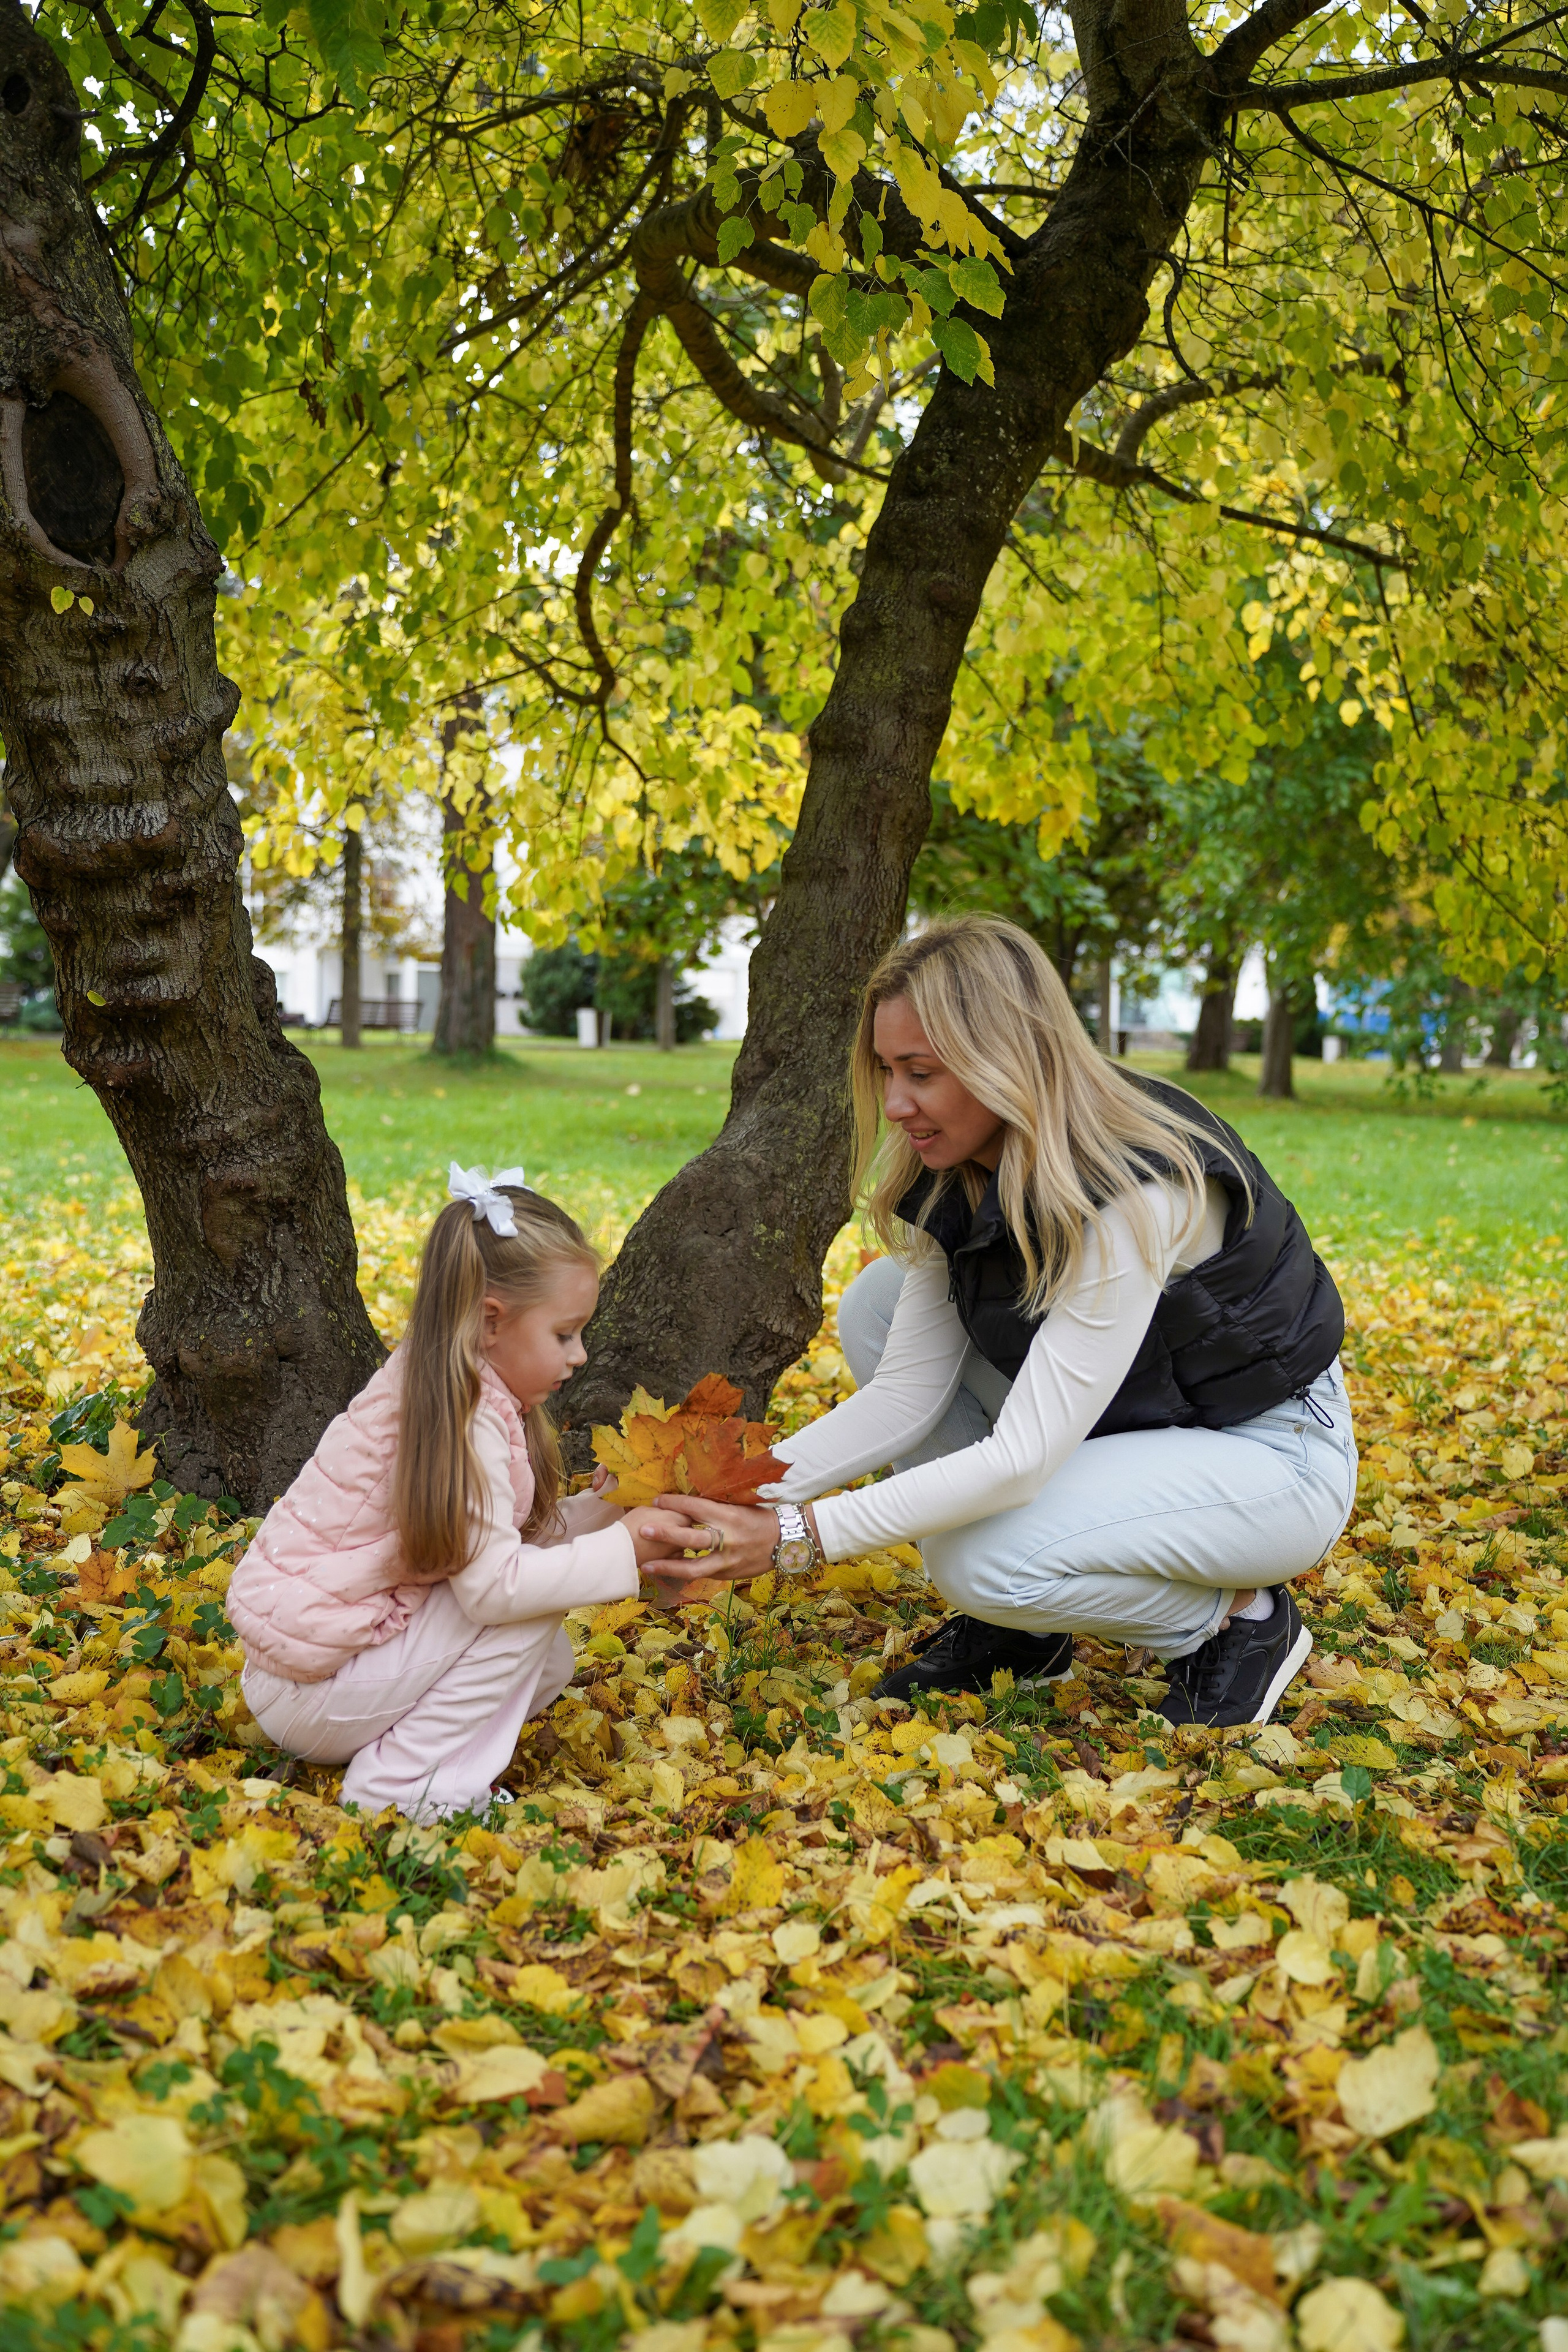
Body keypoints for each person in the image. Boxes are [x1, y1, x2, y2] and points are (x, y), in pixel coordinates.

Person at [656, 917, 1357, 1730]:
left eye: (920, 1073)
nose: (894, 1105)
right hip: (1139, 1422)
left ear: (1006, 1061)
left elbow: (1021, 1460)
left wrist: (796, 1539)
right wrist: (702, 1489)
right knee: (877, 1304)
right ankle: (1027, 1630)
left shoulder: (1139, 1187)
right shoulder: (954, 1168)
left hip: (1270, 1456)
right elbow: (905, 1397)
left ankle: (1235, 1624)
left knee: (976, 1556)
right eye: (886, 1070)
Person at [230, 1167, 698, 1819]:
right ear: (490, 1324)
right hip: (313, 1684)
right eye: (564, 1334)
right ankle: (398, 1789)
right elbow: (495, 1588)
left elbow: (498, 1547)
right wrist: (627, 1549)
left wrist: (610, 1511)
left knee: (546, 1659)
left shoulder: (453, 1385)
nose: (580, 1355)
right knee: (524, 1606)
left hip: (314, 1671)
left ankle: (431, 1765)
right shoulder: (465, 1414)